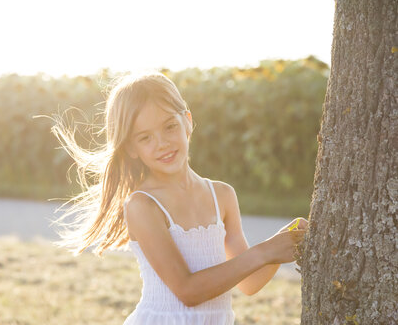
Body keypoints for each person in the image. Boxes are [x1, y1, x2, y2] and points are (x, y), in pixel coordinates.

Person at [47, 70, 308, 325]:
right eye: (145, 137)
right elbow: (187, 290)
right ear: (132, 148)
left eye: (169, 126)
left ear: (188, 121)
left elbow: (249, 283)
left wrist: (282, 242)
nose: (162, 143)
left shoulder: (223, 195)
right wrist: (264, 252)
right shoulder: (143, 205)